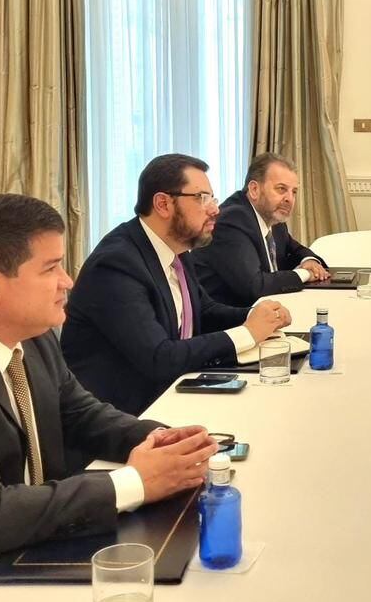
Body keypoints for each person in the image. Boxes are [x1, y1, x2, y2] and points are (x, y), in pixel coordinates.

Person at [0, 195, 220, 602]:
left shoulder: (31, 337)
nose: (67, 281)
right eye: (50, 268)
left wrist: (167, 442)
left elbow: (82, 413)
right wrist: (137, 482)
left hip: (35, 550)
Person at [61, 154, 292, 416]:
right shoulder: (116, 264)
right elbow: (159, 358)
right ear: (163, 204)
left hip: (171, 394)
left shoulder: (176, 249)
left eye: (212, 199)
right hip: (126, 417)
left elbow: (202, 311)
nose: (215, 209)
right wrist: (247, 333)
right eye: (202, 198)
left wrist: (258, 317)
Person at [193, 152, 330, 305]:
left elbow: (295, 251)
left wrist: (309, 261)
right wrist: (305, 273)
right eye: (281, 189)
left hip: (265, 310)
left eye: (294, 192)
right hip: (230, 320)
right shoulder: (232, 220)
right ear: (254, 190)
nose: (289, 199)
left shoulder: (273, 218)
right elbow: (255, 286)